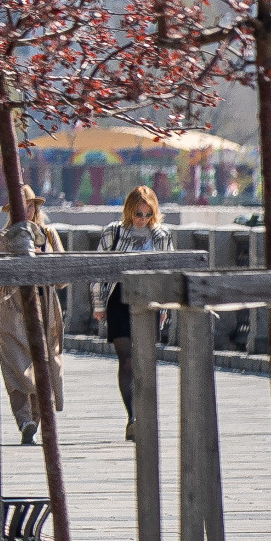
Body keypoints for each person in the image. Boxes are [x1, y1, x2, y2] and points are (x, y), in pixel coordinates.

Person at [96, 185, 175, 441]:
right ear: (129, 211)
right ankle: (133, 417)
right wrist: (98, 305)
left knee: (144, 361)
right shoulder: (113, 232)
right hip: (119, 298)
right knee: (127, 359)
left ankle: (143, 412)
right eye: (138, 213)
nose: (142, 219)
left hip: (149, 300)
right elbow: (99, 268)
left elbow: (168, 273)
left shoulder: (161, 235)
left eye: (147, 214)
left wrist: (164, 307)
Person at [0, 212, 65, 445]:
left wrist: (46, 261)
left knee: (42, 363)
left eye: (30, 206)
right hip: (13, 306)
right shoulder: (4, 237)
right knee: (15, 363)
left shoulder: (48, 234)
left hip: (45, 305)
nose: (26, 212)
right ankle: (23, 419)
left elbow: (64, 275)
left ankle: (34, 420)